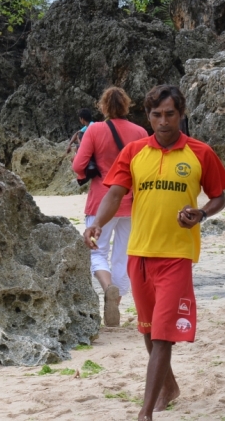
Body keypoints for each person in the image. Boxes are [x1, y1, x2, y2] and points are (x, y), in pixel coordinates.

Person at [83, 85, 225, 420]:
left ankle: (145, 412)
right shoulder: (135, 151)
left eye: (170, 114)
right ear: (147, 116)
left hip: (177, 255)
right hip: (140, 254)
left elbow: (219, 196)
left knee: (164, 335)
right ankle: (170, 386)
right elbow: (115, 193)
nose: (163, 121)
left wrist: (202, 214)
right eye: (156, 115)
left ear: (181, 114)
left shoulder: (200, 152)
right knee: (150, 331)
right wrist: (98, 225)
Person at [72, 87, 147, 327]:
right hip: (131, 200)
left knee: (97, 251)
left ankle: (108, 288)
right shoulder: (140, 132)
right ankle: (116, 301)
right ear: (127, 106)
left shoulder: (94, 130)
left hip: (101, 201)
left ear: (102, 107)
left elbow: (78, 165)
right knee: (123, 255)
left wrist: (92, 172)